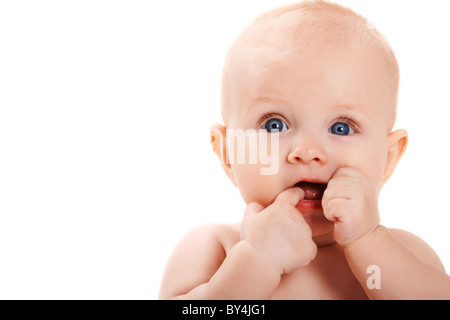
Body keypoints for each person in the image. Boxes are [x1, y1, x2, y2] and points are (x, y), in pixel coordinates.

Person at [159, 0, 450, 299]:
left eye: (342, 127)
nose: (307, 151)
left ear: (387, 159)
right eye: (274, 125)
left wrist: (367, 241)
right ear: (228, 153)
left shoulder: (403, 256)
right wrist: (257, 262)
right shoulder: (216, 248)